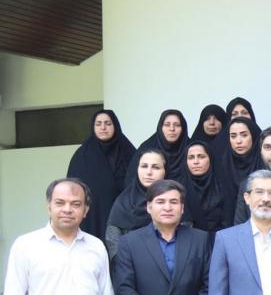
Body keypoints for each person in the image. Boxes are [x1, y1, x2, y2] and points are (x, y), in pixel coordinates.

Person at [67, 109, 135, 240]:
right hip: (92, 217)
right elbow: (72, 189)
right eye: (98, 124)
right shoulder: (82, 156)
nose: (103, 127)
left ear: (115, 126)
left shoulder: (129, 152)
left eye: (108, 123)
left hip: (124, 217)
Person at [105, 149, 167, 259]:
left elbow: (183, 237)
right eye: (144, 166)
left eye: (156, 167)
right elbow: (112, 237)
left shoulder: (174, 201)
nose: (149, 172)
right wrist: (123, 262)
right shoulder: (124, 200)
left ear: (165, 171)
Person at [217, 117, 263, 226]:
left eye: (244, 135)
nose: (238, 141)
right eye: (233, 136)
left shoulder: (264, 164)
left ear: (253, 136)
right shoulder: (221, 165)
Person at [182, 141, 229, 234]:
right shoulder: (179, 189)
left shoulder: (224, 186)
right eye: (191, 157)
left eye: (201, 157)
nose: (196, 162)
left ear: (210, 159)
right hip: (189, 240)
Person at [136, 109, 189, 181]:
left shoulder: (192, 149)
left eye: (177, 125)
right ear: (160, 127)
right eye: (167, 125)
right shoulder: (147, 148)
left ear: (183, 128)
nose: (172, 129)